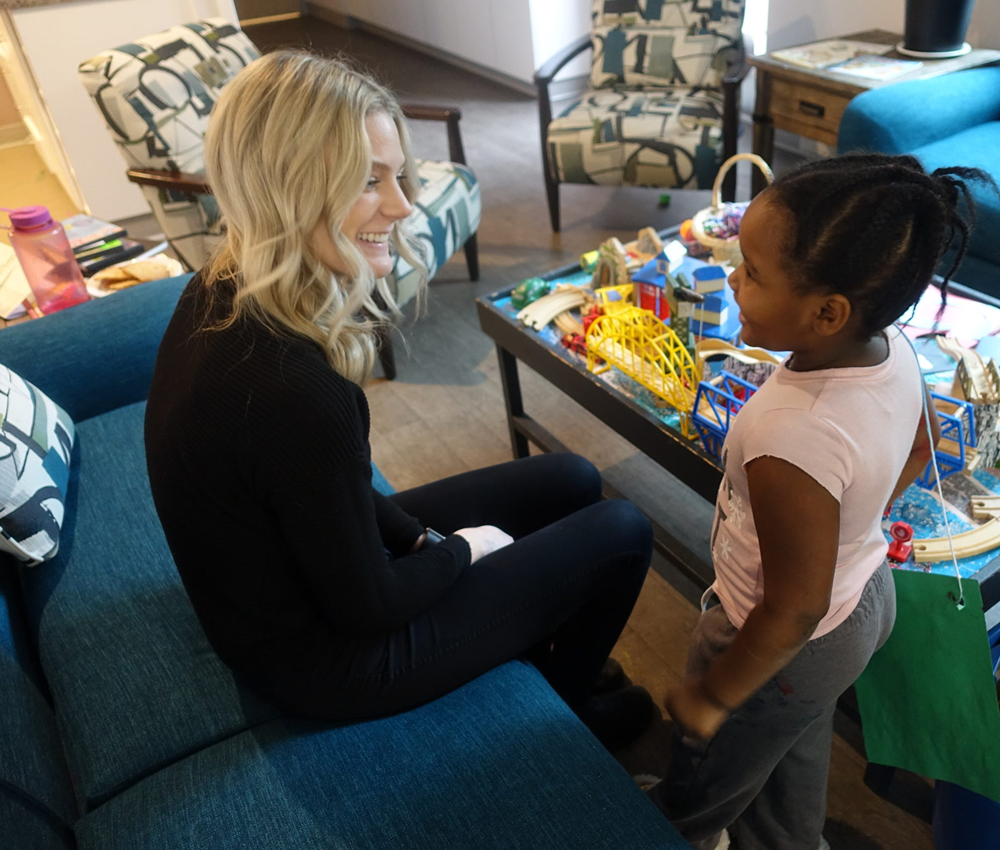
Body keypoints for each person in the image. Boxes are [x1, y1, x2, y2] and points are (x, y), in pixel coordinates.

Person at [143, 49, 656, 748]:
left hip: (290, 579)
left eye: (396, 175)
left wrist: (415, 537)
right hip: (328, 663)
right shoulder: (295, 392)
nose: (403, 205)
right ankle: (570, 718)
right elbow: (371, 607)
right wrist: (460, 552)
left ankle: (541, 651)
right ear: (285, 189)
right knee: (623, 529)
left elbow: (327, 490)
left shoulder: (215, 289)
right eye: (367, 181)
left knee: (571, 477)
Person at [648, 153, 994, 849]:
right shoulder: (892, 346)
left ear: (827, 312)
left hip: (773, 637)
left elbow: (793, 608)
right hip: (864, 600)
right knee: (790, 753)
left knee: (705, 784)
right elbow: (923, 444)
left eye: (753, 272)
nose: (734, 279)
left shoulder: (790, 433)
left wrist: (713, 694)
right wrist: (853, 522)